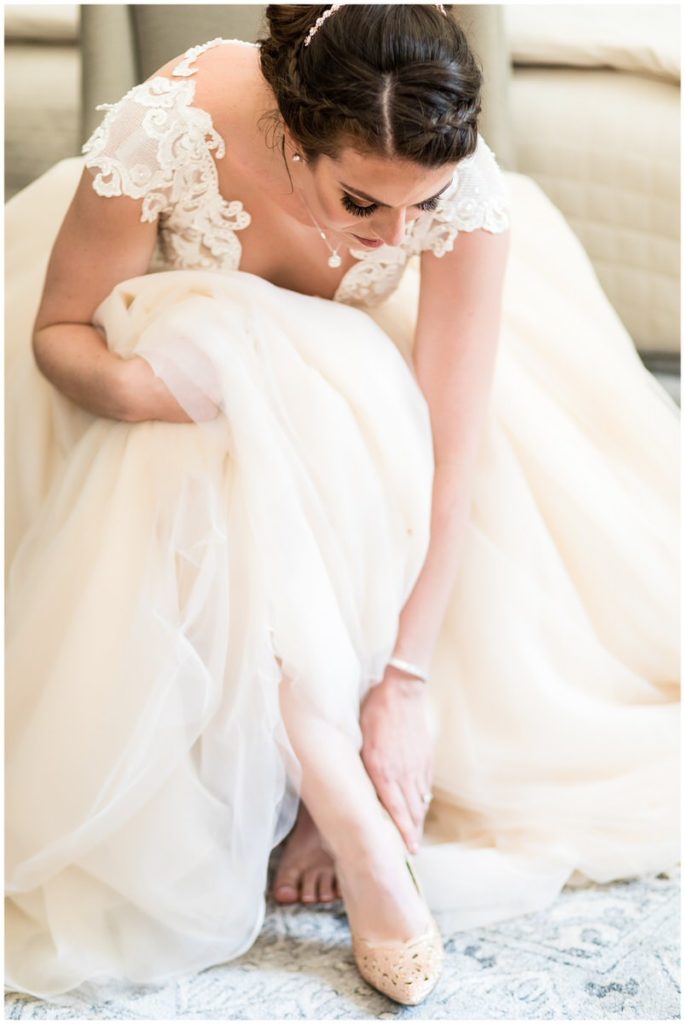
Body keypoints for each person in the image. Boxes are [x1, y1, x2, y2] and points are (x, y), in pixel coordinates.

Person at [5, 2, 679, 1008]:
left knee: (322, 395)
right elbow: (61, 330)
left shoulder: (461, 199)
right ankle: (341, 798)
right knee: (218, 352)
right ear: (291, 132)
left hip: (362, 419)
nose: (402, 234)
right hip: (164, 395)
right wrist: (172, 390)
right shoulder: (178, 118)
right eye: (363, 202)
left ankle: (327, 767)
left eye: (426, 204)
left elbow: (452, 455)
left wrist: (402, 683)